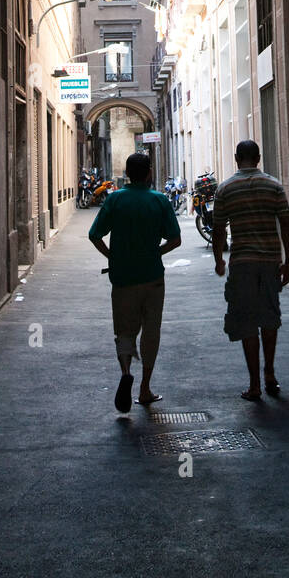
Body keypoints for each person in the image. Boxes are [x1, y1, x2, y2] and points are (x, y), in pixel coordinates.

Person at [89, 152, 181, 411]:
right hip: (152, 277)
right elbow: (175, 239)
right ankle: (145, 387)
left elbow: (94, 234)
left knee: (124, 330)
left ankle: (126, 370)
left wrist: (113, 256)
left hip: (122, 278)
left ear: (128, 173)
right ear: (149, 173)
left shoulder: (115, 199)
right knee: (151, 332)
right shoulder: (160, 200)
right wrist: (155, 252)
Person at [211, 140, 289, 400]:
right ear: (258, 158)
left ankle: (255, 384)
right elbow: (286, 225)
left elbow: (218, 229)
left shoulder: (225, 189)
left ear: (236, 158)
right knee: (269, 317)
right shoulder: (274, 186)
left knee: (247, 321)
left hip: (242, 263)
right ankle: (270, 374)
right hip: (270, 262)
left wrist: (219, 260)